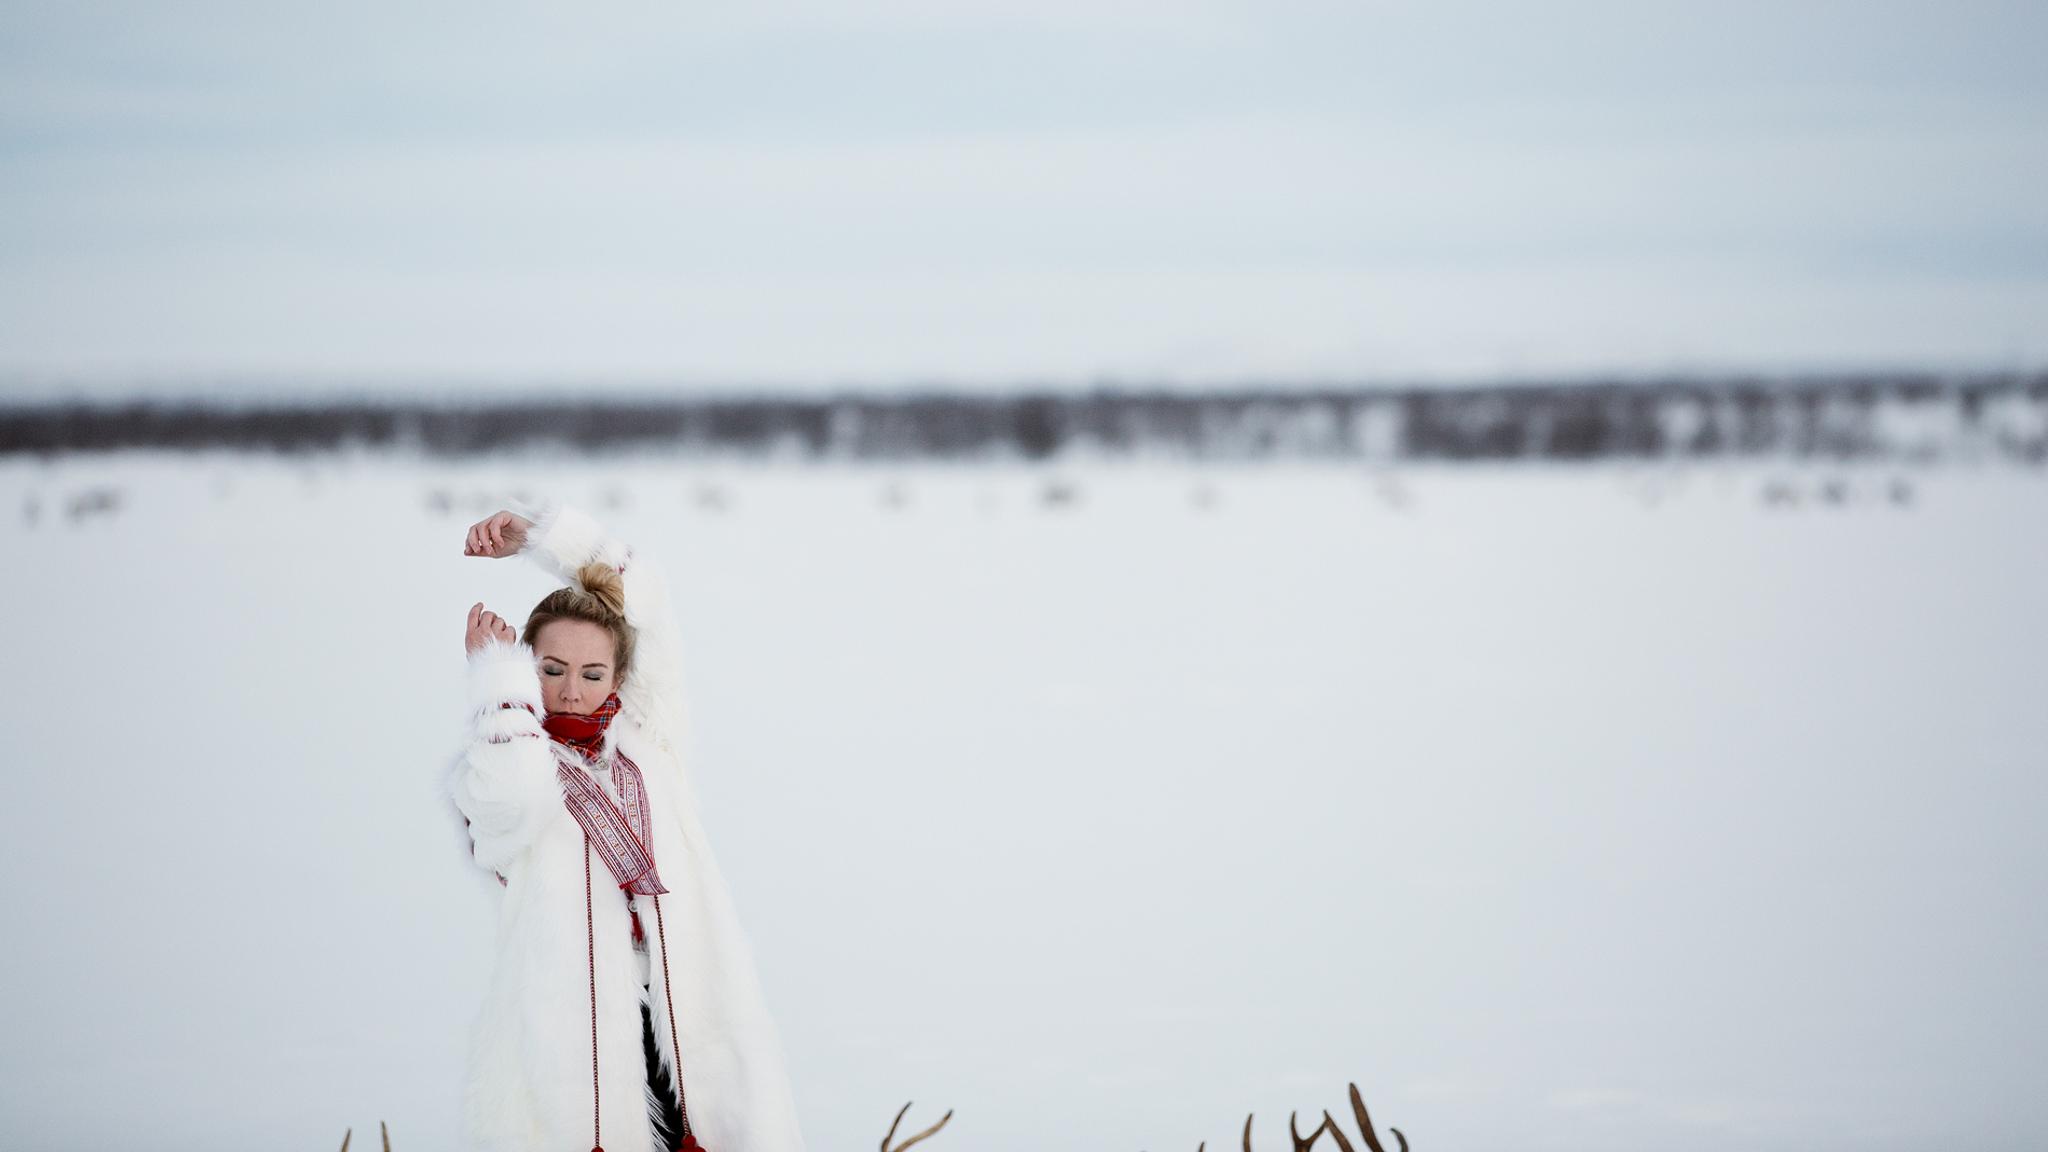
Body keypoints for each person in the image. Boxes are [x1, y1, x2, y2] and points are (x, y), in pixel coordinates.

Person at [447, 498, 805, 1152]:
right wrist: (498, 681)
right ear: (528, 668)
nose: (573, 690)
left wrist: (540, 535)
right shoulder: (504, 760)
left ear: (618, 677)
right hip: (570, 1049)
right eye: (550, 671)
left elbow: (647, 599)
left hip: (692, 1022)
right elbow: (509, 801)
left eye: (591, 673)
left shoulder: (650, 741)